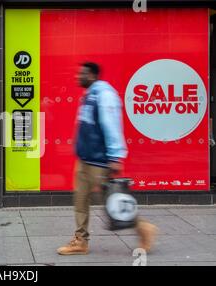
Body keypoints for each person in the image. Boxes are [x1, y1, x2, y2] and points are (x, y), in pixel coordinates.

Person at [57, 62, 158, 255]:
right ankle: (80, 241)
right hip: (85, 160)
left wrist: (116, 156)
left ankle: (144, 228)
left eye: (82, 74)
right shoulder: (89, 95)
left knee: (114, 202)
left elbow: (111, 125)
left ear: (93, 76)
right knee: (80, 200)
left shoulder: (105, 95)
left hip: (100, 161)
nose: (78, 77)